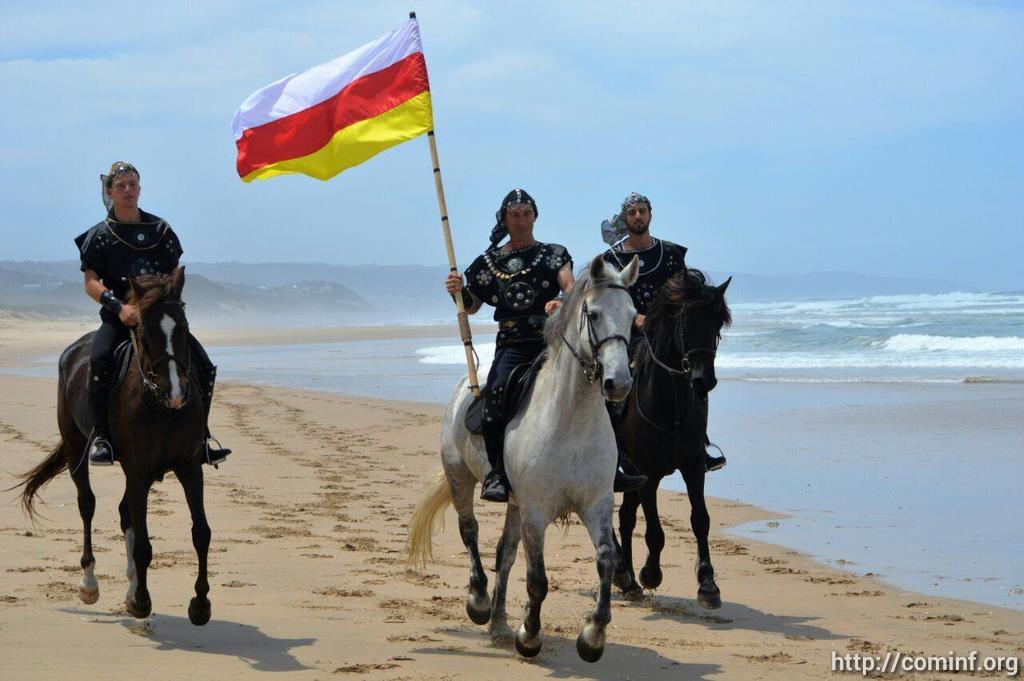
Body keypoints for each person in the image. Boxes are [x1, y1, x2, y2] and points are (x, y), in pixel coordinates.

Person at [75, 161, 231, 467]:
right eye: (121, 186)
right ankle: (102, 437)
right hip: (121, 317)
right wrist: (119, 307)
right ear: (110, 192)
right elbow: (90, 283)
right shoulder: (100, 235)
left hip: (159, 320)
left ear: (140, 188)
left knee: (202, 362)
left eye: (133, 184)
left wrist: (168, 297)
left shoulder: (160, 230)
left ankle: (202, 437)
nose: (128, 191)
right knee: (99, 358)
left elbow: (174, 269)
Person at [602, 192, 726, 472]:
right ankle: (618, 451)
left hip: (667, 336)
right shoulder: (612, 259)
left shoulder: (671, 253)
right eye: (632, 212)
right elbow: (609, 297)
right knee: (617, 378)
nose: (637, 216)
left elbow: (685, 293)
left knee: (696, 373)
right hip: (630, 335)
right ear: (625, 218)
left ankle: (700, 443)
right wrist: (635, 318)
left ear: (650, 215)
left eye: (642, 211)